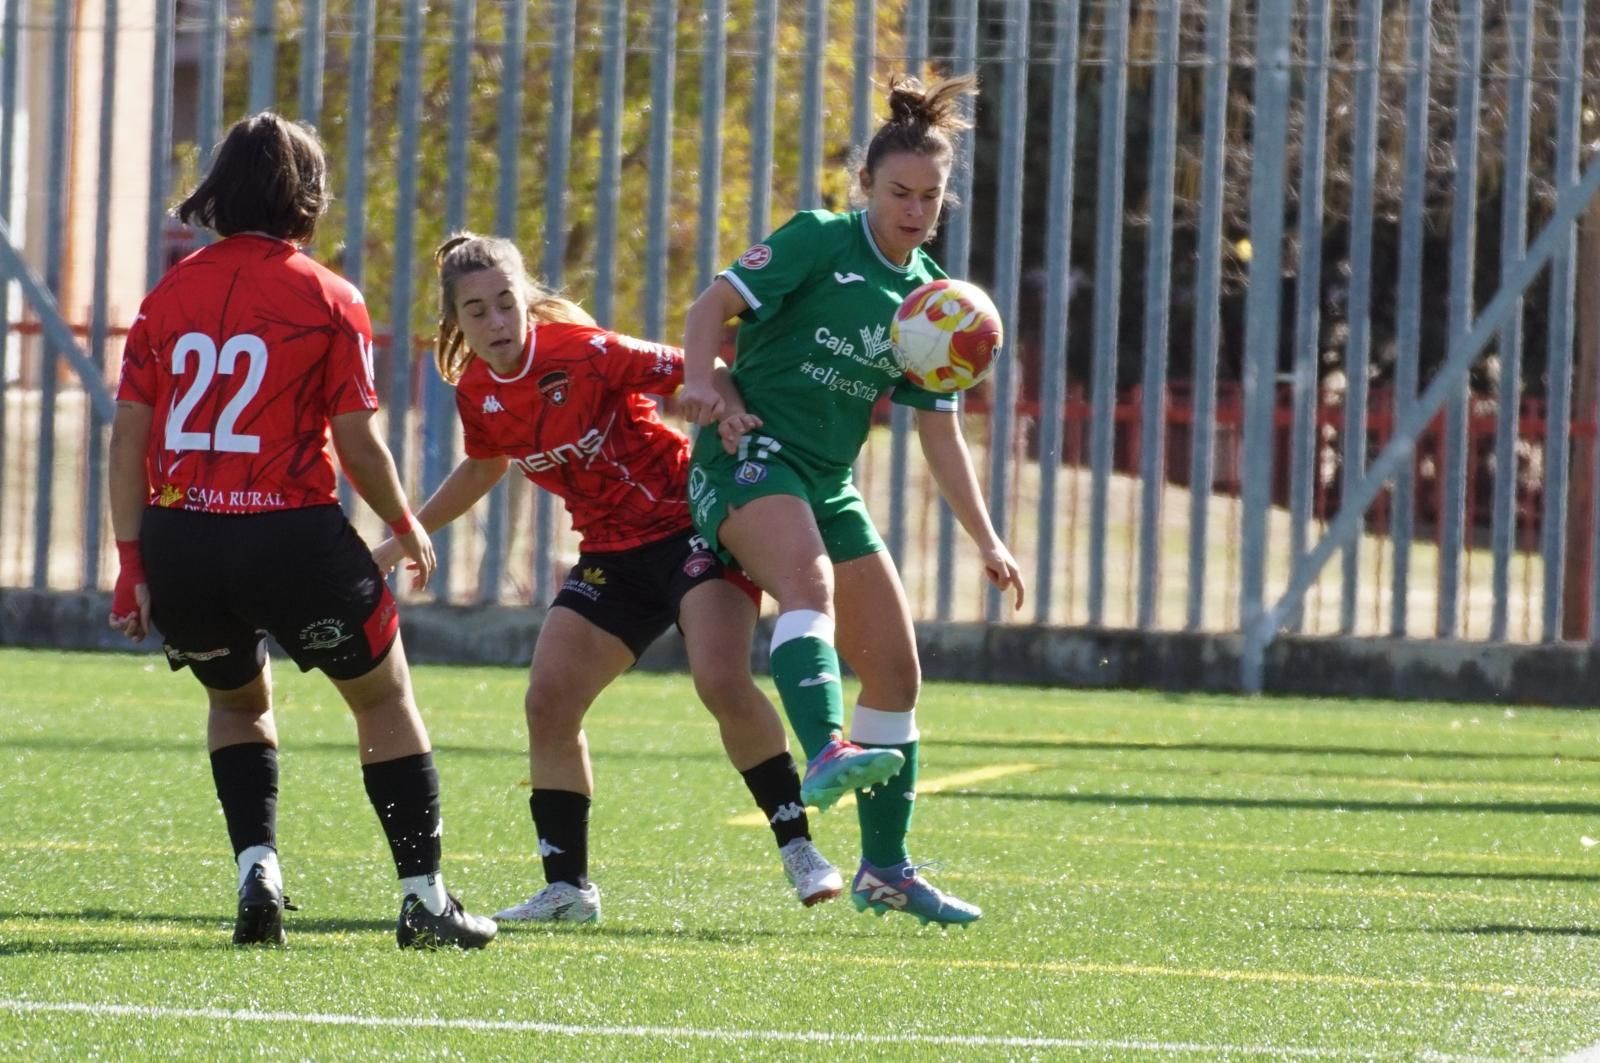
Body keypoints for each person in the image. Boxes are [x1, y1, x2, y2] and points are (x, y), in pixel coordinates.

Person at [369, 232, 841, 924]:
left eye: (507, 303)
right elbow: (483, 465)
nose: (497, 322)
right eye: (477, 312)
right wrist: (403, 536)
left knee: (720, 679)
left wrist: (726, 406)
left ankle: (799, 847)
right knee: (548, 700)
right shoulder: (478, 391)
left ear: (527, 300)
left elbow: (695, 365)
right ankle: (568, 888)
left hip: (691, 526)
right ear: (457, 323)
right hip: (611, 555)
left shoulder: (585, 352)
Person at [106, 111, 495, 951]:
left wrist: (132, 562)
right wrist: (401, 520)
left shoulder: (168, 295)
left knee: (238, 703)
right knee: (384, 698)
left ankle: (259, 872)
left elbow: (128, 437)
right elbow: (356, 441)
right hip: (291, 538)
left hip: (183, 541)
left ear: (222, 190)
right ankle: (424, 898)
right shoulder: (329, 296)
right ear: (307, 196)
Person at [677, 74, 1026, 927]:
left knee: (899, 670)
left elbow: (938, 433)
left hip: (826, 480)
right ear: (865, 186)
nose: (913, 209)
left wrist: (987, 537)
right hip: (747, 452)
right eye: (899, 192)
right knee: (810, 584)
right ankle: (827, 745)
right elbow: (713, 304)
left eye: (929, 197)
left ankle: (886, 868)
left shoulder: (933, 305)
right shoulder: (818, 239)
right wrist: (699, 383)